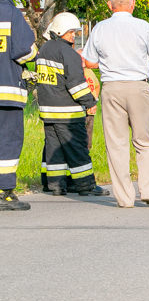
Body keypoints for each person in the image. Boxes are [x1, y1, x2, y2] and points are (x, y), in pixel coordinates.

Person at [82, 0, 149, 208]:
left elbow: (89, 63)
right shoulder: (143, 27)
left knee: (116, 144)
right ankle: (148, 191)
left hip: (112, 87)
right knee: (144, 141)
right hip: (138, 86)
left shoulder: (100, 28)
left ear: (110, 6)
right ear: (133, 4)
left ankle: (124, 198)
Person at [36, 13, 106, 196]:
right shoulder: (69, 54)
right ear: (60, 31)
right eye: (71, 32)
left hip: (48, 111)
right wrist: (90, 102)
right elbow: (77, 86)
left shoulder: (44, 50)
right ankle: (85, 185)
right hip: (68, 113)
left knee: (53, 149)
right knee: (77, 148)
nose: (73, 36)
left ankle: (55, 185)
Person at [0, 0, 37, 211]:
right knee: (8, 141)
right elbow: (25, 50)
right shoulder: (11, 12)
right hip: (7, 91)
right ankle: (5, 192)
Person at [78, 49, 100, 149]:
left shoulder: (89, 71)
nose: (82, 59)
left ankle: (87, 153)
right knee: (78, 135)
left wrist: (95, 100)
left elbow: (97, 85)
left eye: (84, 57)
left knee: (88, 134)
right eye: (80, 57)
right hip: (78, 110)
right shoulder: (75, 72)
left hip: (90, 110)